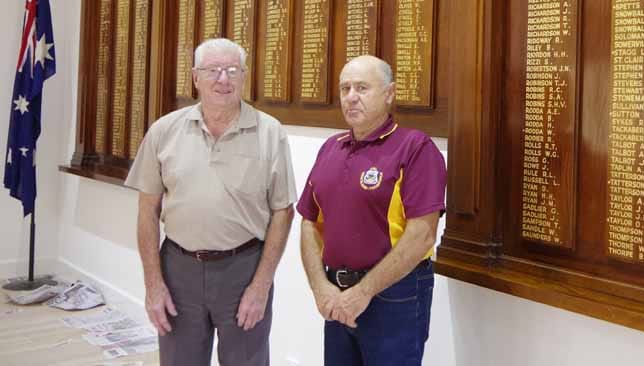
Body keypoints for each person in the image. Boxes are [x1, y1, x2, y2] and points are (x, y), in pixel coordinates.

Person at [125, 38, 296, 366]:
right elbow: (147, 210)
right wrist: (153, 283)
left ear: (244, 76)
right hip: (178, 271)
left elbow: (283, 212)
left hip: (243, 270)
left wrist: (261, 286)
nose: (223, 79)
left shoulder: (270, 133)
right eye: (213, 70)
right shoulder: (165, 131)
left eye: (233, 70)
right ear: (195, 77)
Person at [297, 55, 447, 365]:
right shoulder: (330, 148)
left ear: (389, 94)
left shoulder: (415, 148)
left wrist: (364, 291)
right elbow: (309, 223)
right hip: (337, 295)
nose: (351, 97)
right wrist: (320, 288)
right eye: (345, 88)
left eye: (362, 88)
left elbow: (422, 234)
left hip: (394, 296)